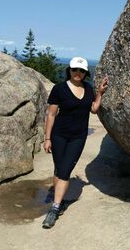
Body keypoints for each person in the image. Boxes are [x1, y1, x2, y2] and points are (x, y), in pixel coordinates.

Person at [41, 57, 108, 229]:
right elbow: (51, 114)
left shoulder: (88, 88)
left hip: (78, 137)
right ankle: (60, 201)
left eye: (81, 71)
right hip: (59, 135)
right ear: (69, 70)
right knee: (59, 168)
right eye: (74, 70)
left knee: (65, 171)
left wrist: (99, 93)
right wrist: (47, 138)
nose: (78, 73)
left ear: (85, 73)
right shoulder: (59, 89)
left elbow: (93, 109)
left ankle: (54, 209)